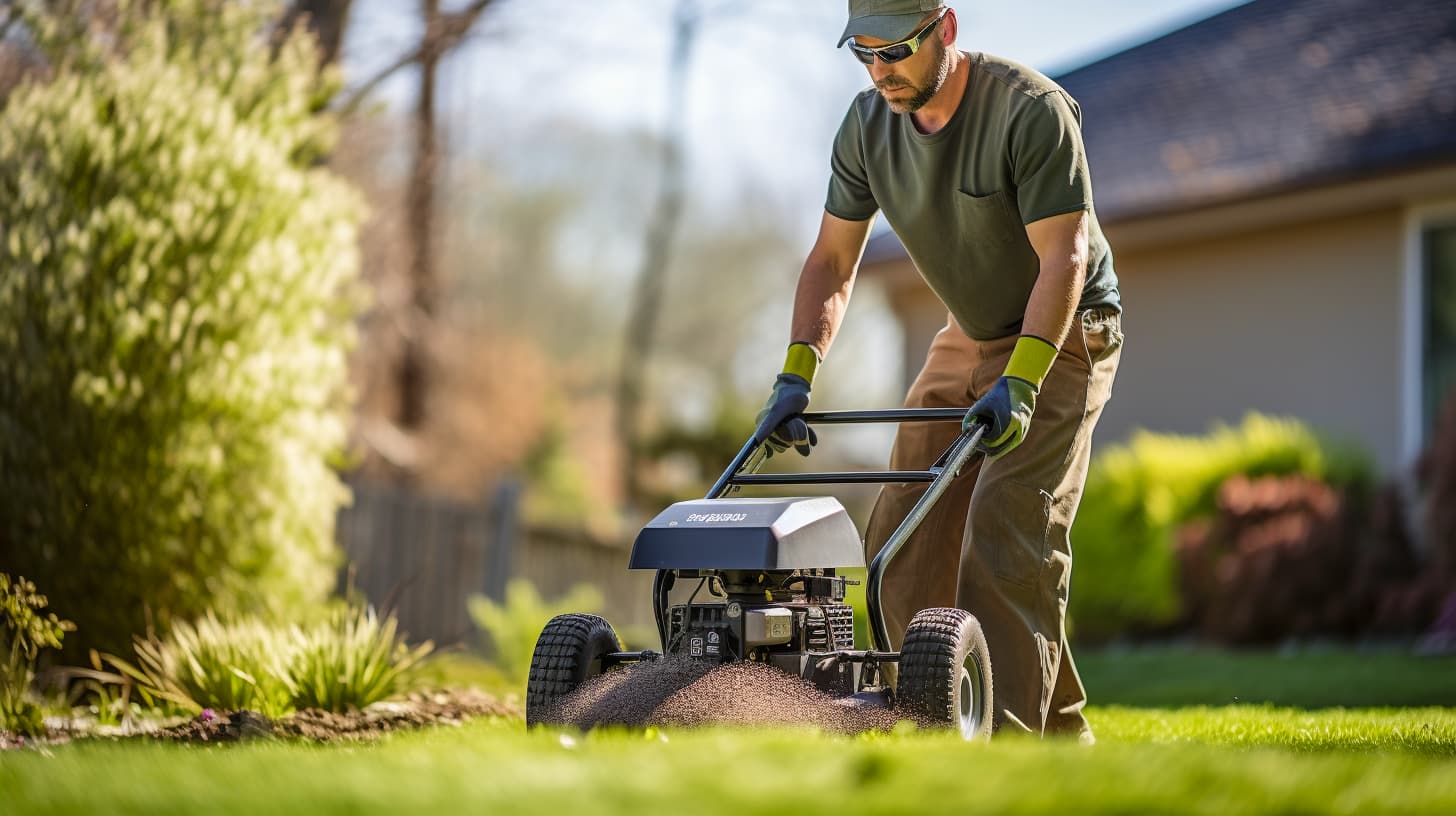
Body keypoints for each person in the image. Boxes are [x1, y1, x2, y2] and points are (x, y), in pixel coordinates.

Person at [756, 0, 1123, 740]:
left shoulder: (1030, 111)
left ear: (945, 30)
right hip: (972, 331)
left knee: (1007, 521)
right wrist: (796, 374)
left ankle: (1009, 741)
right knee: (902, 523)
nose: (879, 71)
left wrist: (1019, 384)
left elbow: (1065, 258)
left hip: (1066, 329)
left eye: (895, 51)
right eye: (863, 53)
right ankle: (932, 715)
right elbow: (832, 259)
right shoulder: (866, 128)